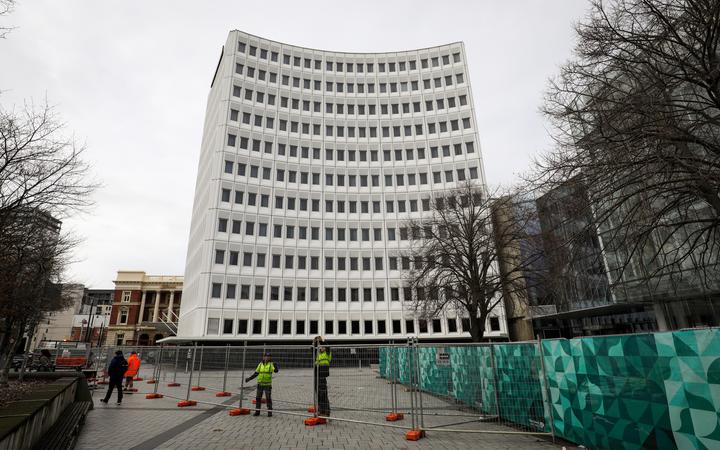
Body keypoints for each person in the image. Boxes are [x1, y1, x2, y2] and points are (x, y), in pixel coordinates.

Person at [245, 352, 279, 417]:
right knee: (258, 398)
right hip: (260, 384)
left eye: (268, 356)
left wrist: (275, 366)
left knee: (268, 398)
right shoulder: (260, 364)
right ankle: (257, 411)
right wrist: (249, 379)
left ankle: (270, 412)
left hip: (267, 385)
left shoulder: (271, 364)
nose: (267, 357)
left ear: (270, 358)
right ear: (263, 357)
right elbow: (256, 373)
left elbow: (276, 371)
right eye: (266, 356)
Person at [313, 336, 332, 417]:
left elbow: (327, 346)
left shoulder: (327, 353)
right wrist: (315, 343)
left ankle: (325, 411)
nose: (321, 348)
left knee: (323, 393)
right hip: (316, 375)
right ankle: (322, 410)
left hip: (322, 375)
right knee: (319, 393)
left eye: (322, 347)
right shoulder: (317, 354)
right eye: (320, 347)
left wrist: (322, 341)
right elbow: (312, 349)